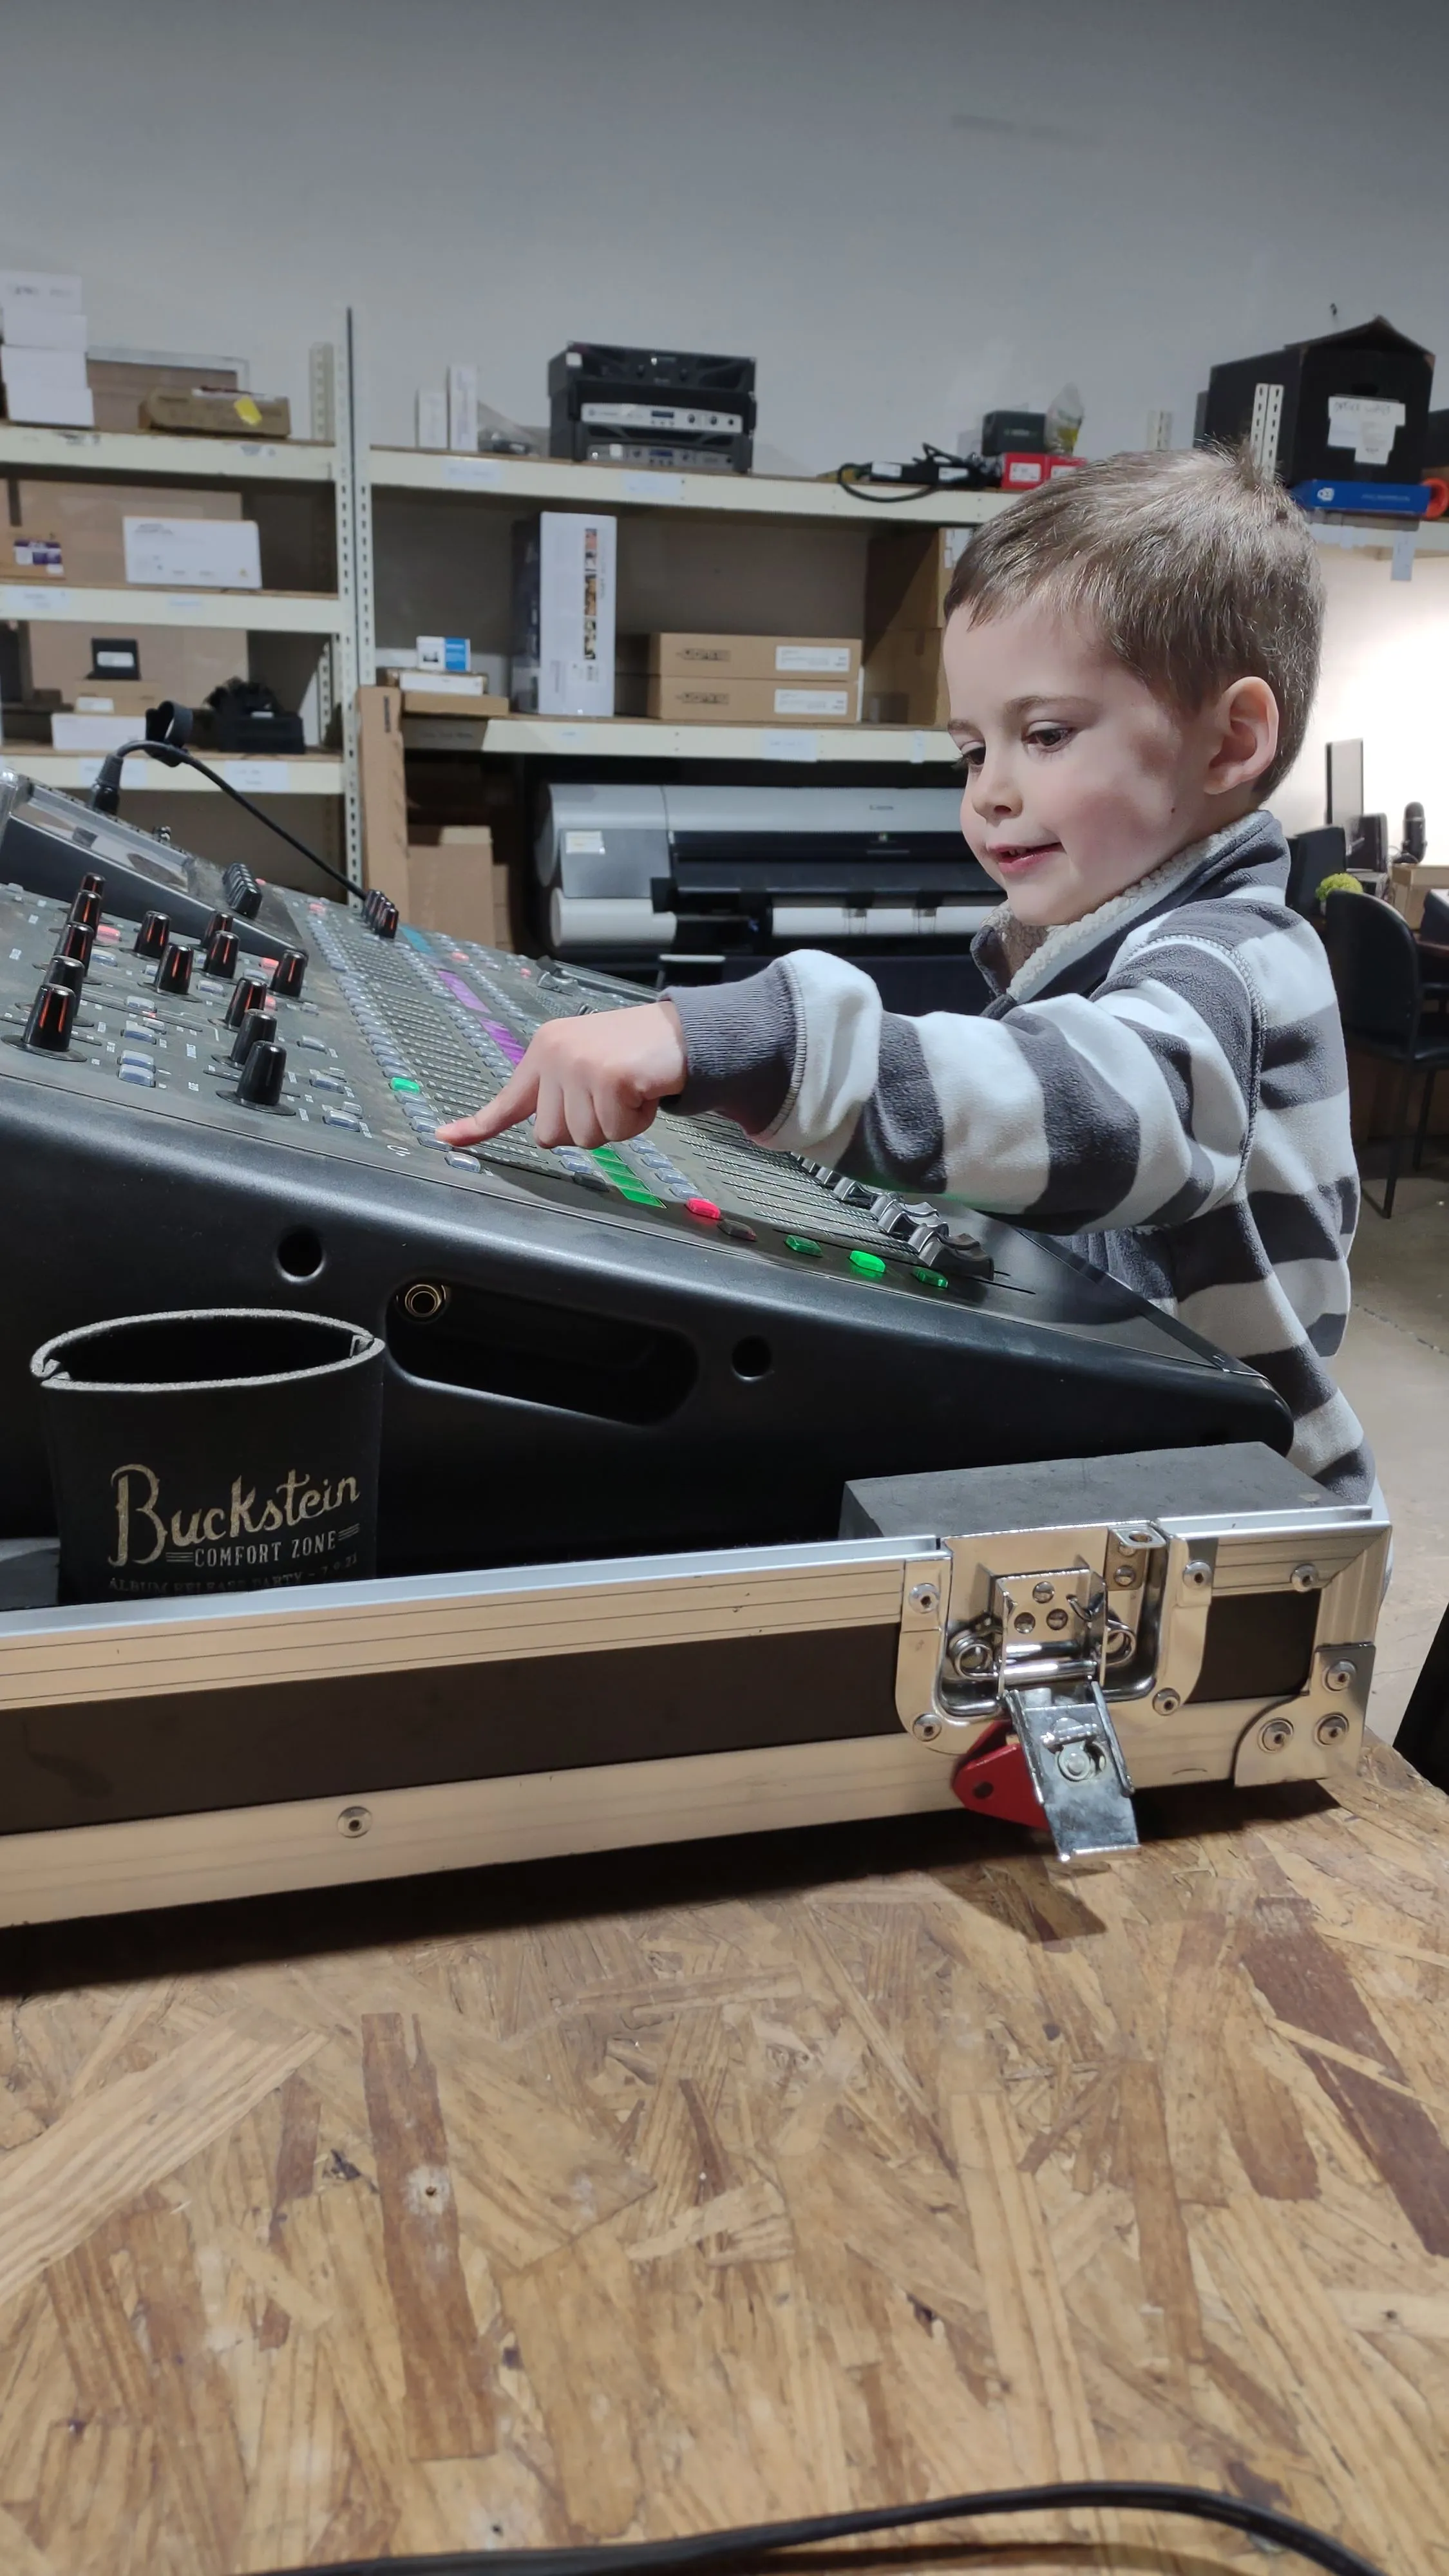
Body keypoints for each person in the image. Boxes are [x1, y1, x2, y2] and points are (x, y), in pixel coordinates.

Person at [440, 446, 1372, 1501]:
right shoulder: (1111, 940)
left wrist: (766, 1041)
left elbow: (1095, 1110)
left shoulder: (1230, 961)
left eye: (1045, 735)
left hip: (1231, 1498)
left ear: (1229, 743)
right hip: (1135, 1453)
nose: (989, 794)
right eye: (972, 751)